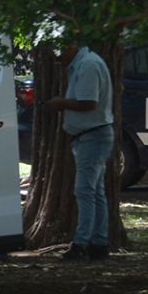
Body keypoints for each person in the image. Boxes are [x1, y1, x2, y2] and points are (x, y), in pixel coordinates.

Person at [43, 40, 115, 260]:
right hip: (90, 135)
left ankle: (82, 244)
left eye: (59, 50)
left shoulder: (88, 65)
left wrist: (61, 103)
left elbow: (88, 103)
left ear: (71, 45)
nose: (57, 56)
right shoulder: (83, 63)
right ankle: (99, 243)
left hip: (93, 136)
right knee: (95, 192)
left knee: (84, 190)